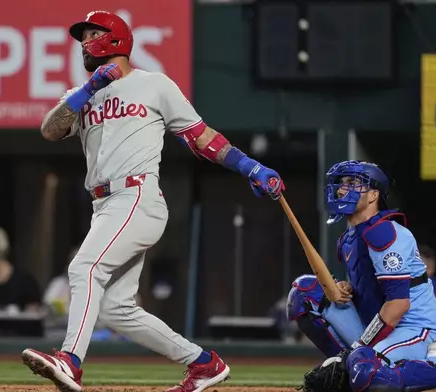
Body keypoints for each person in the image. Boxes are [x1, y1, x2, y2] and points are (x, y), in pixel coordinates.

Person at [21, 10, 284, 392]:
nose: (84, 42)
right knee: (116, 309)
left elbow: (201, 136)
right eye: (83, 36)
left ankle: (70, 361)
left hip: (136, 195)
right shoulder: (85, 94)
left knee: (84, 269)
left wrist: (249, 167)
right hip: (104, 206)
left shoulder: (154, 84)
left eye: (92, 33)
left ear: (114, 39)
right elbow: (50, 130)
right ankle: (204, 363)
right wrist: (86, 91)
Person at [285, 160, 436, 392]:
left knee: (366, 371)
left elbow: (399, 304)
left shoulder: (385, 232)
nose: (342, 189)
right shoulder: (349, 238)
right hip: (375, 321)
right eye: (341, 183)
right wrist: (348, 288)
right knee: (304, 294)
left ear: (373, 195)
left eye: (352, 183)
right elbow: (373, 285)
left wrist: (359, 347)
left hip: (412, 326)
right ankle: (348, 373)